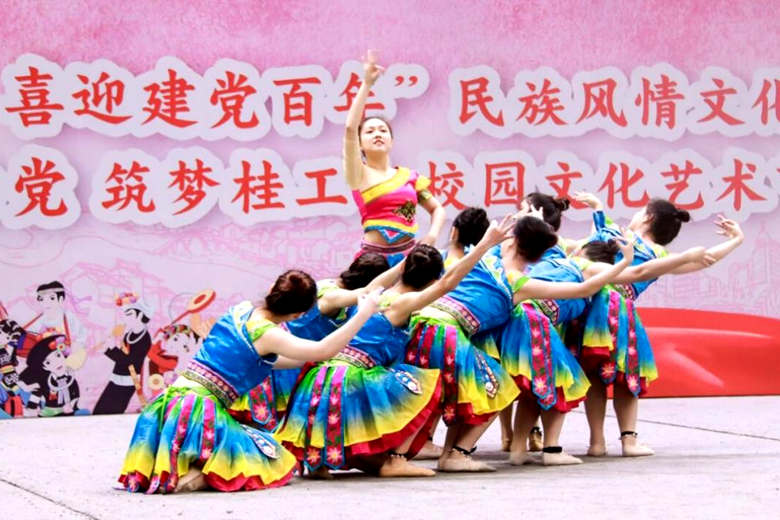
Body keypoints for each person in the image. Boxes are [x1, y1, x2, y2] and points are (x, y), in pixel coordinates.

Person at [275, 217, 515, 478]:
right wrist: (485, 244)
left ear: (403, 269)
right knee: (428, 383)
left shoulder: (371, 294)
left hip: (317, 379)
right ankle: (397, 459)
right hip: (349, 380)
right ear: (432, 281)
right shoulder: (402, 303)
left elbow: (384, 283)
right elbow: (448, 284)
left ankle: (319, 463)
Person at [118, 270, 383, 493]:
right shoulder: (268, 334)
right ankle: (190, 477)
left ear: (272, 289)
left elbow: (266, 360)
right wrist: (363, 313)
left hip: (169, 404)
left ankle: (180, 465)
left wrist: (309, 359)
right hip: (199, 411)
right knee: (276, 460)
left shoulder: (239, 311)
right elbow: (322, 350)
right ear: (297, 315)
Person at [570, 193, 745, 457]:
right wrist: (736, 240)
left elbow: (594, 237)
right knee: (626, 376)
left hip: (591, 306)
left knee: (594, 373)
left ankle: (597, 442)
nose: (636, 213)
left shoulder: (616, 234)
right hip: (620, 313)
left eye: (641, 210)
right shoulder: (658, 254)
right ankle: (629, 442)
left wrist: (597, 207)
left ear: (648, 217)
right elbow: (704, 258)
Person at [344, 50, 446, 265]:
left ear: (391, 140)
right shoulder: (358, 173)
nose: (377, 134)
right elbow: (350, 128)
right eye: (369, 131)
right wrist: (367, 84)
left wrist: (431, 237)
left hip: (410, 261)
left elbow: (437, 208)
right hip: (373, 262)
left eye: (383, 130)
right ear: (359, 143)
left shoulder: (410, 177)